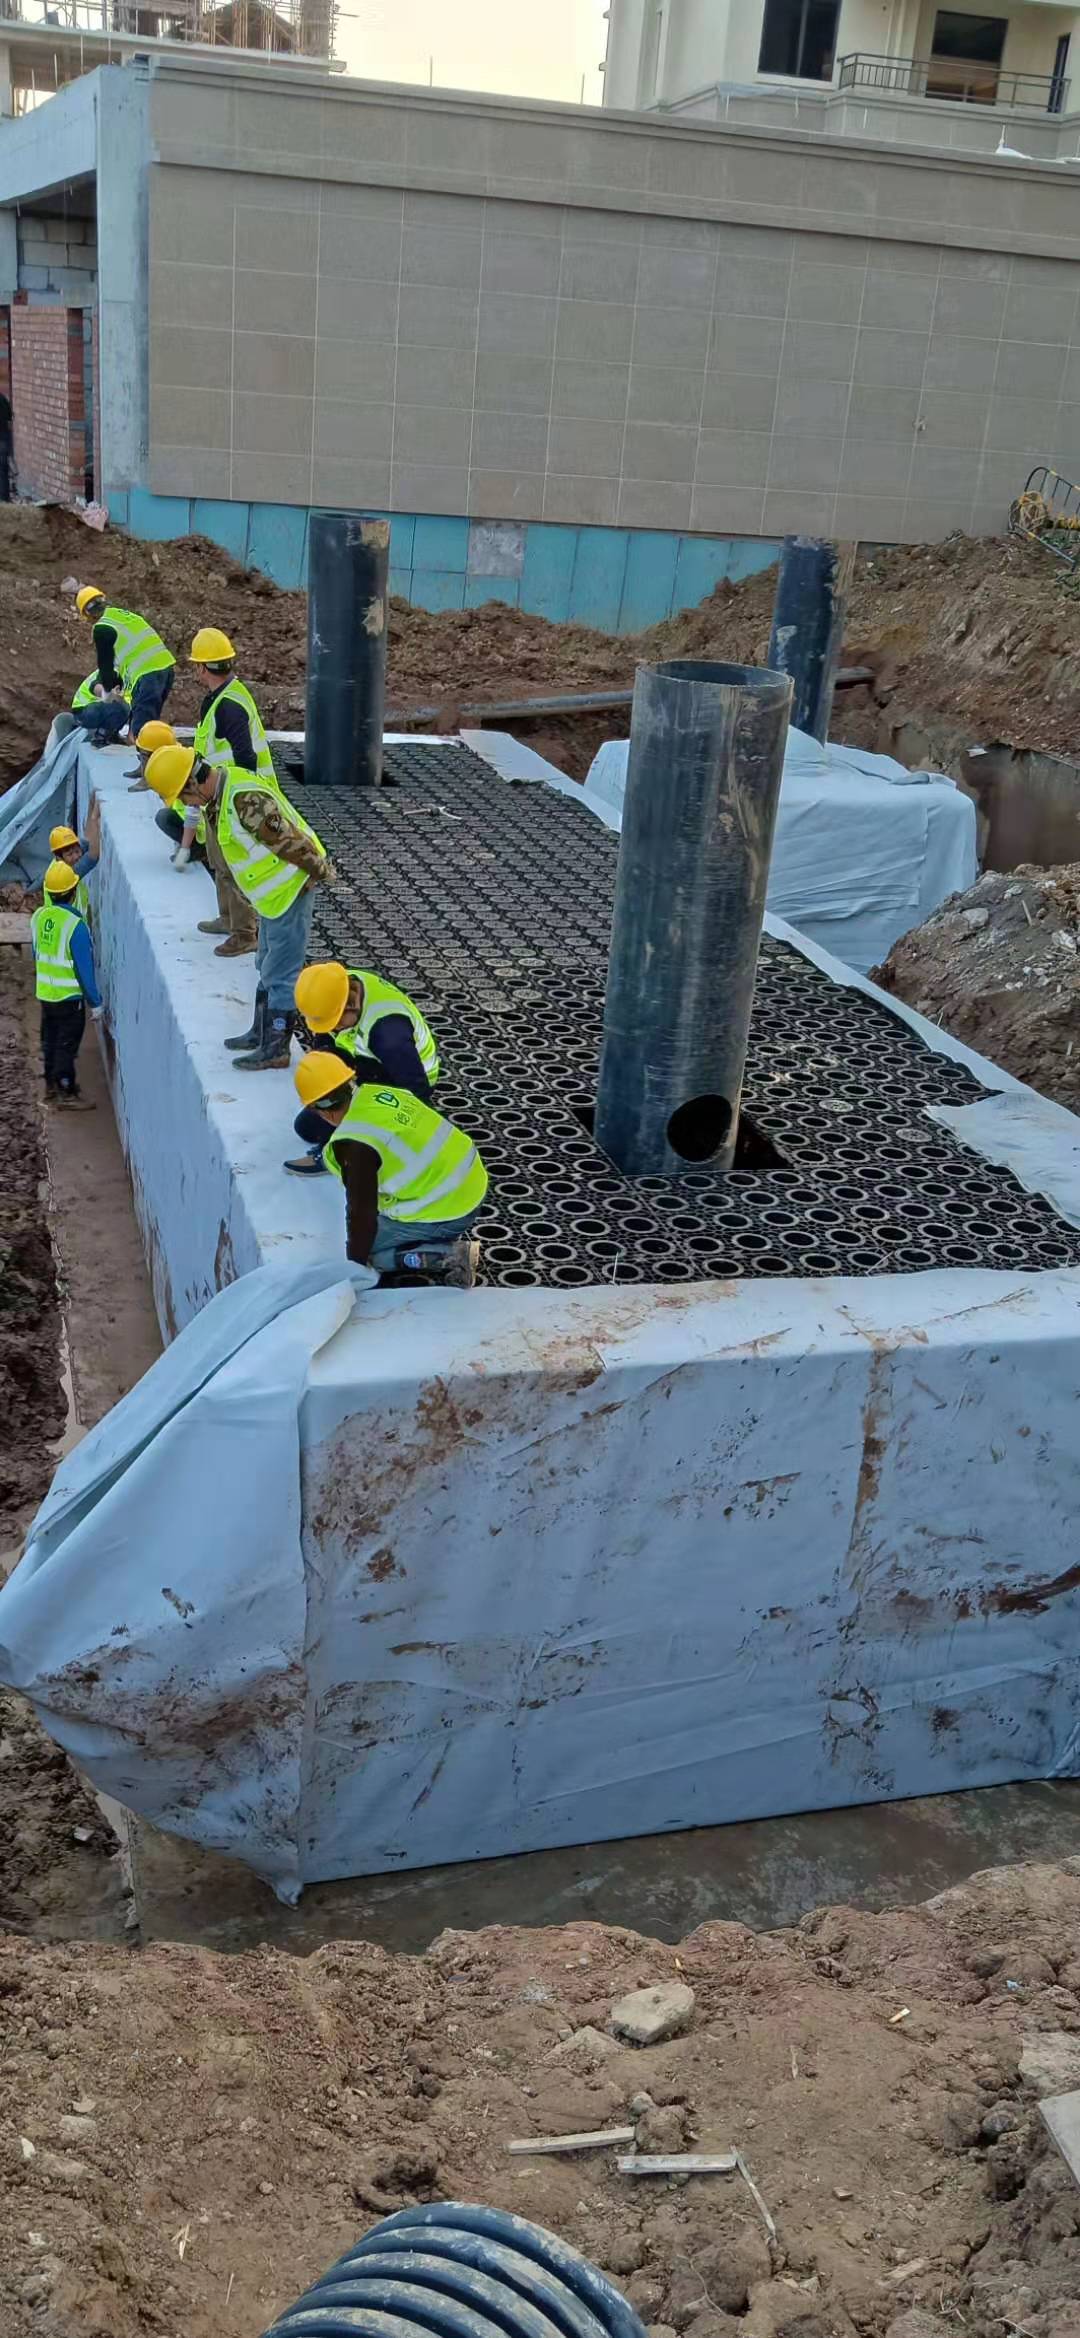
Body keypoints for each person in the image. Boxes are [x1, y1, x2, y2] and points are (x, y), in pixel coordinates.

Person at [144, 741, 332, 1069]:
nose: (186, 804)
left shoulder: (244, 799)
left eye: (184, 795)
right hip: (272, 898)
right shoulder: (223, 794)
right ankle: (260, 1033)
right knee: (265, 962)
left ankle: (276, 1048)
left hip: (291, 890)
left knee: (281, 973)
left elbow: (289, 841)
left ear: (194, 782)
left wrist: (320, 872)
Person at [292, 1052, 486, 1286]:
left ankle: (450, 1255)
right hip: (472, 1181)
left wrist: (355, 1265)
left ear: (320, 1110)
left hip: (449, 1208)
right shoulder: (381, 1093)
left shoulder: (354, 1144)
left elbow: (361, 1214)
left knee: (374, 1254)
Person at [286, 961, 440, 1176]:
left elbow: (417, 1090)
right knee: (308, 1128)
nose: (333, 1028)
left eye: (335, 1022)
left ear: (350, 1006)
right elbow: (324, 1041)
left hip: (401, 1079)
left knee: (344, 1113)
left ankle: (340, 1156)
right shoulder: (340, 985)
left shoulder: (388, 1033)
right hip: (365, 1061)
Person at [31, 859, 102, 1110]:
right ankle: (66, 1091)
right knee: (66, 1044)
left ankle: (50, 1088)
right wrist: (96, 1003)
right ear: (73, 892)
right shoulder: (75, 925)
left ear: (49, 891)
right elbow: (84, 970)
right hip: (69, 999)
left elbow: (36, 953)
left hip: (45, 993)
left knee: (49, 1041)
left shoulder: (39, 917)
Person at [71, 586, 175, 747]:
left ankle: (141, 765)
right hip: (166, 668)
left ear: (88, 615)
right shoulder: (124, 615)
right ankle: (142, 753)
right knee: (148, 724)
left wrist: (107, 694)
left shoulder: (102, 626)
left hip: (146, 673)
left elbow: (105, 665)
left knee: (141, 734)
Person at [49, 795, 101, 920]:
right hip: (67, 927)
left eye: (77, 851)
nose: (77, 856)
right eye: (70, 854)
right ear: (58, 857)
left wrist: (91, 806)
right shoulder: (68, 873)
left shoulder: (62, 862)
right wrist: (96, 817)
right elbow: (94, 855)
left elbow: (88, 841)